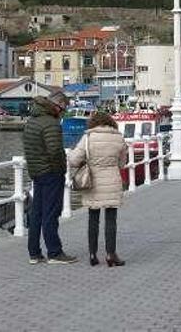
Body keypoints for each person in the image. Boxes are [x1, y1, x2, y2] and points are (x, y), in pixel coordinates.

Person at [23, 90, 77, 265]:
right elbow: (54, 151)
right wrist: (61, 168)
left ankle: (34, 253)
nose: (63, 113)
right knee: (51, 213)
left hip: (36, 172)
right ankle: (54, 252)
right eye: (64, 108)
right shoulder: (51, 124)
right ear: (58, 105)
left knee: (36, 213)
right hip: (51, 173)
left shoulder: (32, 121)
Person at [68, 111, 128, 267]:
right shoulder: (118, 137)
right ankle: (110, 254)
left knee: (93, 219)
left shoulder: (88, 138)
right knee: (111, 219)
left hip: (92, 181)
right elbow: (122, 164)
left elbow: (74, 160)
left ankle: (93, 254)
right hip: (112, 181)